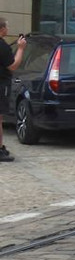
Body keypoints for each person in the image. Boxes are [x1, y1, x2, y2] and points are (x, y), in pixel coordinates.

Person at [0, 17, 26, 161]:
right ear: (2, 29)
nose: (8, 29)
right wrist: (21, 48)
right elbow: (13, 66)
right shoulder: (2, 46)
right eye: (7, 27)